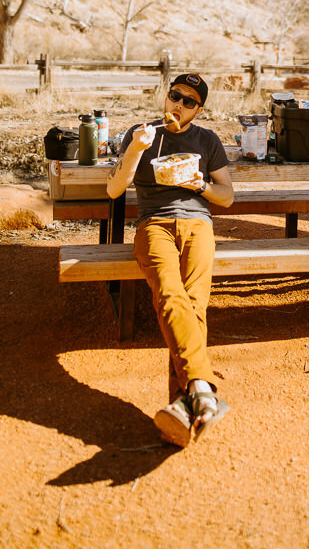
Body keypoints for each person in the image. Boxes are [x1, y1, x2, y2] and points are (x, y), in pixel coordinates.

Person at [106, 72, 234, 447]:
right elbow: (114, 189)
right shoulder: (143, 133)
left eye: (188, 101)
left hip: (198, 223)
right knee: (169, 293)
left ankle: (182, 406)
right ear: (167, 96)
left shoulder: (207, 140)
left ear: (199, 109)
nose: (178, 105)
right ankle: (200, 388)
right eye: (175, 96)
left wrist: (200, 184)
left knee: (195, 303)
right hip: (154, 225)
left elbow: (227, 196)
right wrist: (135, 149)